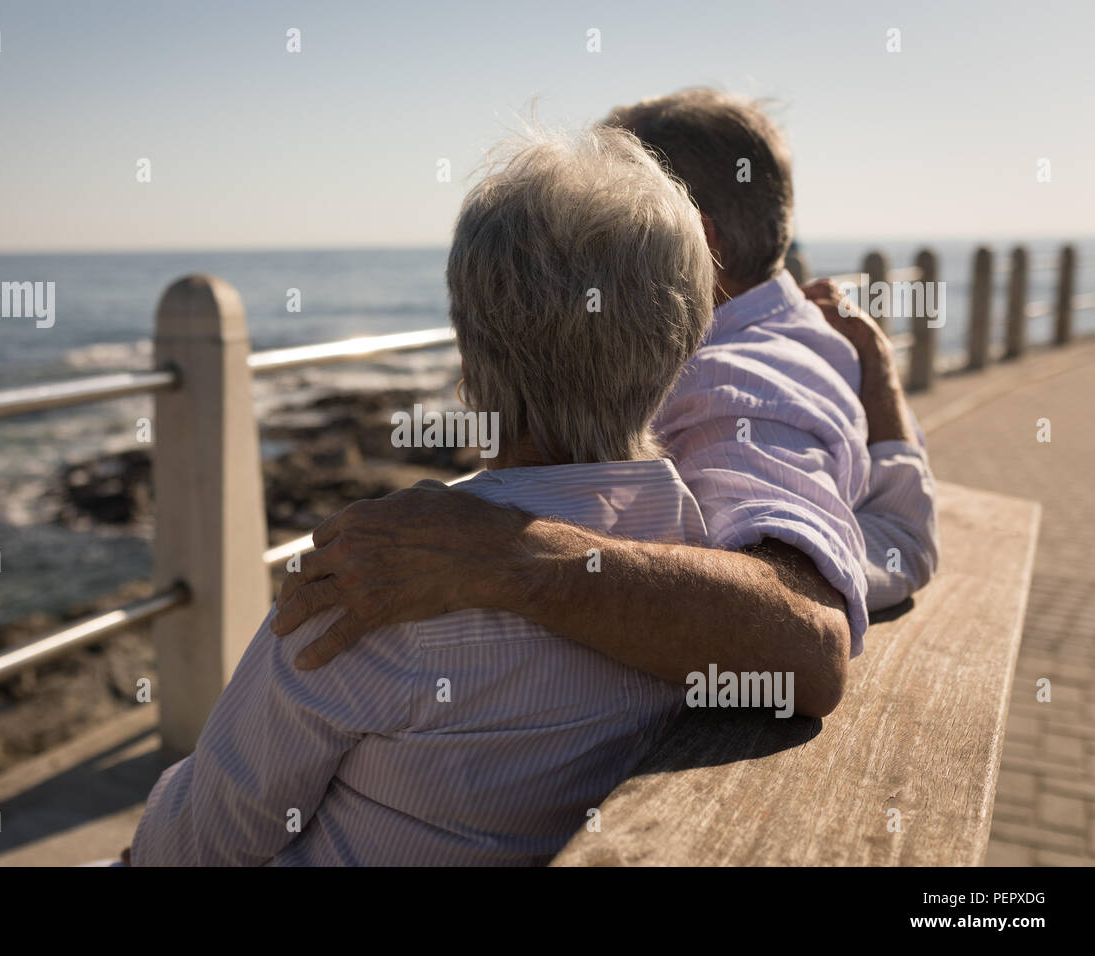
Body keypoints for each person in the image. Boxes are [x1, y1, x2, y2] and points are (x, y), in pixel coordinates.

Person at [132, 124, 717, 865]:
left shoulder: (379, 587)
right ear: (683, 342)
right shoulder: (699, 569)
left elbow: (193, 848)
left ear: (469, 352)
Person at [271, 89, 939, 708]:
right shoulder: (792, 332)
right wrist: (877, 377)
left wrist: (496, 552)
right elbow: (900, 545)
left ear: (700, 244)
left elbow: (806, 647)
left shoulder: (727, 392)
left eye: (616, 217)